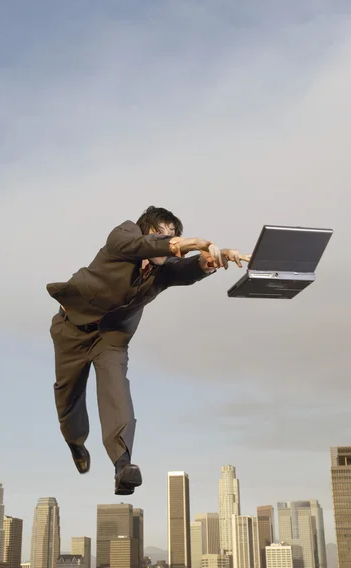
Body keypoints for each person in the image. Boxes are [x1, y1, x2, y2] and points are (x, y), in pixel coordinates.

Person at [46, 206, 250, 495]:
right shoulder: (123, 237)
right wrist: (189, 242)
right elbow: (137, 245)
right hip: (71, 330)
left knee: (117, 393)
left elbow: (189, 269)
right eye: (160, 233)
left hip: (111, 338)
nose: (167, 239)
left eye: (172, 234)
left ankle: (122, 466)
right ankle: (75, 443)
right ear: (145, 231)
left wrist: (216, 259)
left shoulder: (162, 272)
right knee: (68, 397)